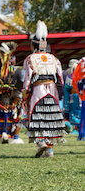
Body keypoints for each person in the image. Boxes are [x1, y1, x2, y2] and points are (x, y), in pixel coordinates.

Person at [22, 21, 65, 157]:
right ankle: (50, 150)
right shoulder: (54, 58)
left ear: (33, 45)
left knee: (38, 116)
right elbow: (60, 78)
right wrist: (59, 92)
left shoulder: (30, 59)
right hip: (52, 90)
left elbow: (27, 79)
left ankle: (41, 143)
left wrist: (25, 93)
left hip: (38, 90)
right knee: (51, 117)